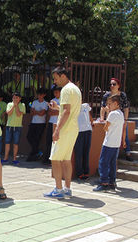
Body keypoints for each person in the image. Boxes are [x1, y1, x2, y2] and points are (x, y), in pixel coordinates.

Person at [43, 66, 81, 199]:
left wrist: (57, 130)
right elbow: (67, 109)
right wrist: (57, 107)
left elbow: (67, 112)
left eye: (56, 78)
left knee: (55, 158)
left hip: (65, 129)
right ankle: (67, 189)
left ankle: (59, 190)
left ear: (63, 76)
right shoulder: (75, 89)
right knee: (66, 159)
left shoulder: (66, 90)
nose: (54, 81)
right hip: (73, 128)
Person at [93, 95, 126, 191]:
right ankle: (112, 182)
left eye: (109, 104)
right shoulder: (121, 114)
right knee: (112, 164)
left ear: (116, 104)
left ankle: (104, 182)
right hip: (116, 143)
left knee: (103, 163)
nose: (108, 106)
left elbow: (106, 127)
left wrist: (108, 113)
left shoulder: (112, 114)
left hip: (109, 143)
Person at [100, 78, 132, 161]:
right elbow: (103, 107)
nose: (112, 86)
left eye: (114, 84)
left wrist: (125, 119)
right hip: (110, 118)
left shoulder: (122, 95)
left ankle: (127, 152)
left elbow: (126, 108)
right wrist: (102, 118)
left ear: (118, 85)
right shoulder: (107, 95)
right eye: (111, 84)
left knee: (125, 134)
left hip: (120, 118)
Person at [3, 92, 26, 165]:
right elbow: (8, 113)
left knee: (16, 143)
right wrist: (13, 106)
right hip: (9, 126)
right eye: (14, 98)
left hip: (18, 127)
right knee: (7, 142)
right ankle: (5, 158)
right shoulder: (9, 104)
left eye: (16, 98)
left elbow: (19, 114)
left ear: (20, 98)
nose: (15, 99)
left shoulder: (22, 105)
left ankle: (14, 159)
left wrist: (16, 106)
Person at [27, 88, 48, 162]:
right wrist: (38, 112)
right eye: (38, 94)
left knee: (37, 139)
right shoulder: (34, 102)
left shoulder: (45, 103)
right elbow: (31, 113)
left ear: (44, 95)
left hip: (41, 124)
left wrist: (36, 112)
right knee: (29, 137)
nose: (39, 96)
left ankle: (34, 154)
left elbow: (42, 113)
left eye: (41, 94)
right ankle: (37, 152)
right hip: (33, 122)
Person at [74, 102, 94, 180]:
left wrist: (92, 122)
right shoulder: (73, 107)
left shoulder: (85, 105)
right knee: (78, 152)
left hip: (88, 131)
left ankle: (86, 172)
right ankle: (80, 173)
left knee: (86, 152)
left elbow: (89, 115)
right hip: (78, 131)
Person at [43, 86, 61, 165]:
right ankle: (47, 158)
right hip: (51, 122)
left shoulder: (63, 100)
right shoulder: (52, 100)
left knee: (56, 142)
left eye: (57, 92)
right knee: (49, 141)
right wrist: (57, 111)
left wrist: (56, 111)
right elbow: (50, 112)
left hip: (58, 123)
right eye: (54, 92)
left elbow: (61, 112)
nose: (55, 94)